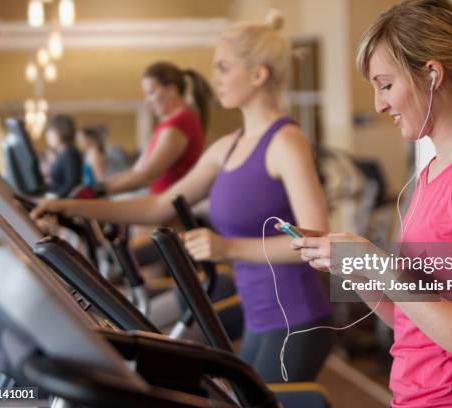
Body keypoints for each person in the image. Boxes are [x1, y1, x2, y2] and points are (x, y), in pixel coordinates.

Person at [32, 11, 333, 383]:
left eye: (223, 67)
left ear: (259, 74)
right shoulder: (227, 147)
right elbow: (160, 205)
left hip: (296, 315)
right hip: (259, 313)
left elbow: (318, 242)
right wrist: (68, 206)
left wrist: (228, 248)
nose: (215, 78)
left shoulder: (286, 142)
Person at [290, 1, 452, 406]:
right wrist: (353, 269)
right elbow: (410, 321)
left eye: (385, 85)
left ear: (432, 75)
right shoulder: (432, 173)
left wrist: (372, 261)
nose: (378, 104)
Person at [97, 61, 213, 196]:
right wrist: (99, 185)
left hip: (171, 209)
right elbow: (137, 170)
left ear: (171, 90)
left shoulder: (181, 121)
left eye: (151, 92)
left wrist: (98, 190)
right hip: (160, 202)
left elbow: (147, 176)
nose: (147, 100)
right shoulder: (166, 124)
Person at [45, 114, 82, 198]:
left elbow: (72, 183)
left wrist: (53, 196)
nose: (47, 136)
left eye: (50, 132)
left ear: (60, 132)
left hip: (63, 203)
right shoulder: (62, 153)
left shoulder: (69, 153)